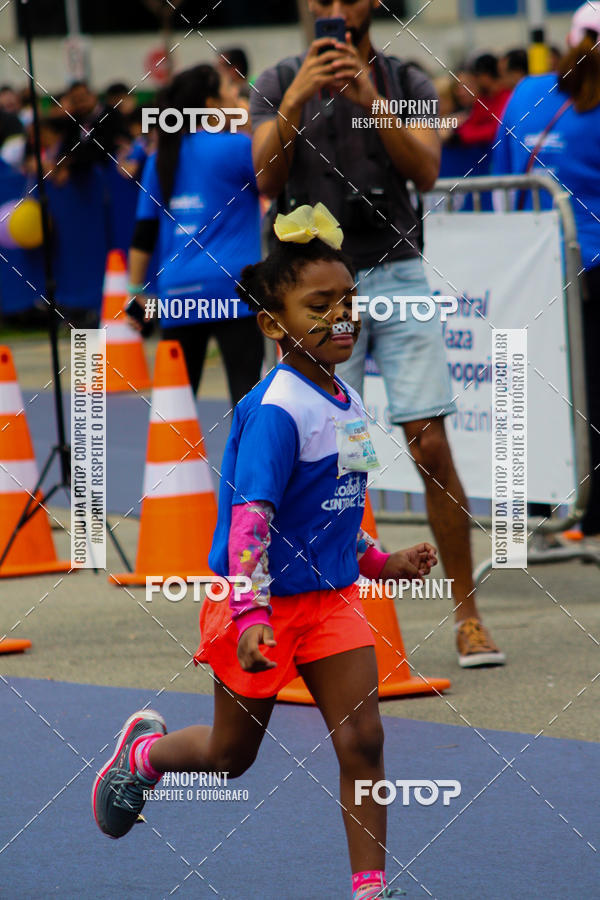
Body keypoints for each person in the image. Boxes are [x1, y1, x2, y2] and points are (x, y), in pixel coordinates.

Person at [93, 203, 438, 900]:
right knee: (229, 756)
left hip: (333, 604)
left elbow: (332, 510)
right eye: (321, 305)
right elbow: (252, 525)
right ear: (272, 324)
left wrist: (379, 560)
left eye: (351, 301)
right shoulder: (278, 410)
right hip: (261, 605)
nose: (344, 316)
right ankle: (143, 754)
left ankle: (370, 889)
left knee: (364, 740)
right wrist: (250, 618)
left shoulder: (344, 396)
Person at [250, 0, 505, 667]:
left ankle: (468, 617)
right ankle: (308, 620)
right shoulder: (280, 80)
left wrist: (368, 98)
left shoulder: (405, 80)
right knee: (330, 457)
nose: (333, 10)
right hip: (311, 292)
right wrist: (301, 95)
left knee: (431, 448)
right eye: (320, 0)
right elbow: (263, 177)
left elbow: (426, 170)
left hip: (396, 277)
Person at [492, 1, 600, 546]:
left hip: (525, 260)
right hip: (590, 265)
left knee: (528, 388)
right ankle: (588, 515)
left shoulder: (528, 91)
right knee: (591, 388)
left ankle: (529, 519)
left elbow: (499, 173)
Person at [127, 64, 263, 404]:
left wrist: (135, 292)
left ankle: (172, 460)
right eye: (231, 90)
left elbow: (144, 231)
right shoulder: (238, 147)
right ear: (211, 103)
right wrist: (251, 125)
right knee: (246, 401)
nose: (240, 95)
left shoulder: (160, 157)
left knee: (175, 408)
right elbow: (275, 186)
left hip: (178, 290)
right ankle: (242, 461)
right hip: (234, 287)